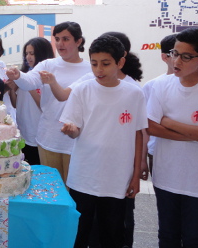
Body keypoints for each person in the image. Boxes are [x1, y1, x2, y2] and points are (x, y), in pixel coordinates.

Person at [60, 35, 147, 248]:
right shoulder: (83, 90)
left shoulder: (134, 93)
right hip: (84, 175)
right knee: (79, 232)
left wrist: (135, 176)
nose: (99, 69)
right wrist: (71, 130)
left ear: (120, 63)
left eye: (106, 64)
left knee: (112, 233)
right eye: (94, 64)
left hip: (117, 178)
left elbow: (138, 134)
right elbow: (74, 129)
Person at [147, 27, 198, 248]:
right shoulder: (160, 85)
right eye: (174, 53)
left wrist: (169, 122)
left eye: (186, 56)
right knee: (167, 235)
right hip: (165, 174)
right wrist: (195, 135)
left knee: (193, 236)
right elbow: (151, 126)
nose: (177, 61)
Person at [6, 21, 91, 182]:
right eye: (57, 39)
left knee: (73, 190)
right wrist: (18, 76)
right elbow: (30, 81)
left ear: (78, 41)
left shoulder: (89, 69)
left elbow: (64, 96)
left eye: (66, 39)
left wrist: (52, 82)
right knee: (50, 188)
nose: (60, 44)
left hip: (76, 139)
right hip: (48, 137)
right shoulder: (48, 64)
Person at [6, 37, 54, 165]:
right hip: (23, 132)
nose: (28, 57)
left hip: (38, 135)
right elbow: (16, 104)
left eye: (32, 53)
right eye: (26, 54)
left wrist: (28, 85)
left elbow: (43, 106)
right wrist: (13, 89)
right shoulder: (24, 75)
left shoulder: (46, 78)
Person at [142, 33, 177, 177]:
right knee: (164, 198)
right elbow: (144, 126)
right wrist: (142, 158)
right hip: (158, 152)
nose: (182, 58)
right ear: (165, 57)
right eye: (176, 53)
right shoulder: (152, 86)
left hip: (195, 153)